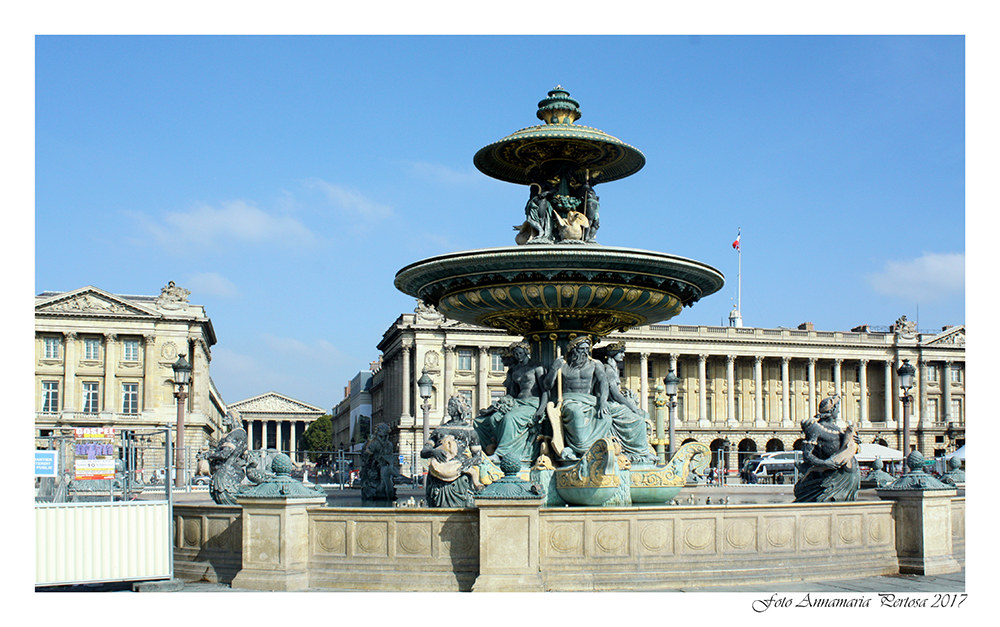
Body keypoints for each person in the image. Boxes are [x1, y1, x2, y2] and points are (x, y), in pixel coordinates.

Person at [544, 335, 612, 461]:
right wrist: (554, 368)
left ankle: (592, 447)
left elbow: (604, 382)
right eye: (582, 349)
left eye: (587, 349)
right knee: (576, 413)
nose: (585, 352)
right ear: (574, 350)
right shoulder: (563, 365)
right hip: (569, 400)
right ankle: (581, 449)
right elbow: (547, 385)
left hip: (588, 400)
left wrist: (603, 402)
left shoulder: (596, 365)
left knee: (606, 416)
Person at [594, 342, 657, 464]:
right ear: (612, 354)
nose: (623, 355)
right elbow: (615, 394)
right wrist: (632, 407)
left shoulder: (612, 369)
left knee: (638, 415)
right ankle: (640, 452)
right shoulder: (608, 370)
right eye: (620, 352)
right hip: (609, 404)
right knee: (638, 421)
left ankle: (638, 451)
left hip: (612, 402)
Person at [793, 396, 861, 502]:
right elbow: (807, 455)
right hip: (831, 478)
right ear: (832, 410)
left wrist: (855, 441)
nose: (838, 411)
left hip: (849, 475)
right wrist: (825, 463)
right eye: (837, 408)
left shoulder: (838, 429)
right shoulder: (815, 428)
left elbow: (847, 449)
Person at [421, 395, 484, 507]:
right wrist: (433, 452)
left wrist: (468, 462)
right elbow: (424, 451)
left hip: (459, 474)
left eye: (452, 405)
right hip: (438, 474)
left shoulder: (470, 431)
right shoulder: (440, 430)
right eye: (449, 405)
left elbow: (478, 457)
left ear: (459, 409)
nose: (448, 408)